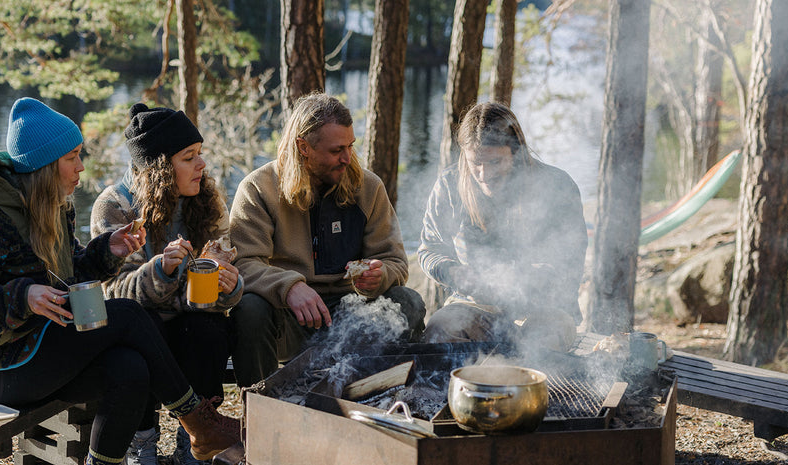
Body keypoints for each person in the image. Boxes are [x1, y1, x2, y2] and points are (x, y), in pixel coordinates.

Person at [0, 97, 239, 465]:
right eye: (72, 158)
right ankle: (197, 422)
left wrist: (106, 251)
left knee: (130, 368)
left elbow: (69, 277)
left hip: (40, 348)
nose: (81, 167)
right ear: (45, 166)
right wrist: (23, 296)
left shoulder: (55, 208)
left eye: (80, 154)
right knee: (127, 315)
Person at [228, 92, 425, 386]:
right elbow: (242, 263)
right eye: (336, 150)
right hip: (290, 317)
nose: (347, 158)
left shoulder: (368, 187)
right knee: (250, 309)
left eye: (350, 146)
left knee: (406, 301)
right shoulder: (258, 189)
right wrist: (289, 287)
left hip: (353, 316)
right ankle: (263, 404)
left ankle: (373, 391)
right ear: (303, 147)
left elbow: (395, 261)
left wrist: (380, 275)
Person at [90, 103, 241, 465]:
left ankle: (192, 447)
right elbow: (113, 294)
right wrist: (162, 272)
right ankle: (141, 443)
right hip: (142, 331)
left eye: (199, 154)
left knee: (207, 329)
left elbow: (213, 294)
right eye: (189, 157)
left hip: (189, 326)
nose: (201, 165)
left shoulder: (203, 201)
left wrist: (229, 285)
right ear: (159, 167)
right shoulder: (115, 206)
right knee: (147, 329)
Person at [417, 101, 587, 351]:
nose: (484, 175)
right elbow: (429, 249)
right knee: (439, 332)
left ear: (516, 152)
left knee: (539, 348)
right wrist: (453, 272)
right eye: (476, 163)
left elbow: (570, 264)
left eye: (495, 162)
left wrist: (534, 277)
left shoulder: (557, 186)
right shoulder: (449, 185)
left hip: (543, 310)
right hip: (472, 307)